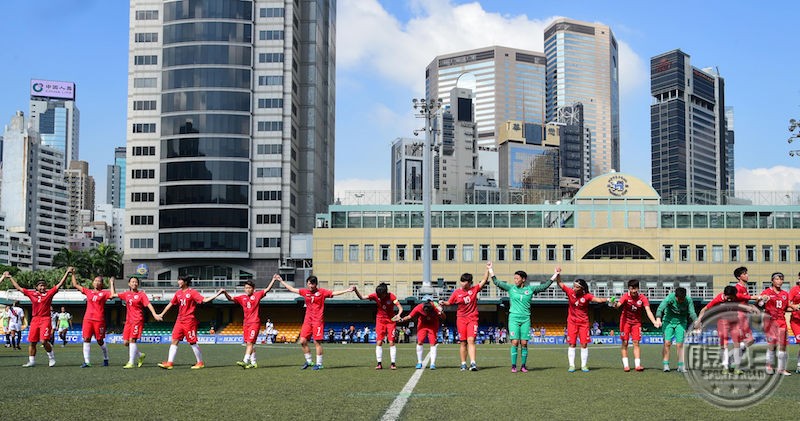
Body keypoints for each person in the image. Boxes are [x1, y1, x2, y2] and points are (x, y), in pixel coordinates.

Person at [487, 261, 558, 372]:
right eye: (514, 278)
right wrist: (490, 269)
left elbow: (544, 286)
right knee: (515, 342)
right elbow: (496, 282)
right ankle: (514, 366)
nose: (515, 280)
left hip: (525, 319)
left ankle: (523, 365)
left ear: (523, 279)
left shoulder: (530, 289)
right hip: (514, 318)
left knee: (524, 343)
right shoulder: (511, 288)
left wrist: (555, 274)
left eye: (517, 278)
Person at [276, 274, 356, 370]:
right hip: (307, 320)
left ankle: (319, 364)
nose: (310, 286)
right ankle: (309, 361)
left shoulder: (322, 292)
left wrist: (347, 290)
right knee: (302, 341)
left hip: (317, 320)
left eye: (312, 284)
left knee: (316, 342)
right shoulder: (304, 292)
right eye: (309, 284)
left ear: (316, 284)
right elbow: (292, 289)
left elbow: (334, 293)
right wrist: (281, 281)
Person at [3, 268, 71, 367]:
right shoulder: (32, 294)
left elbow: (60, 284)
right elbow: (19, 288)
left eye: (44, 285)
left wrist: (67, 273)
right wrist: (10, 277)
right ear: (36, 287)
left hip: (45, 319)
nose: (42, 287)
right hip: (35, 319)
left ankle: (51, 357)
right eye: (40, 285)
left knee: (44, 341)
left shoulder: (49, 294)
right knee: (32, 342)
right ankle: (31, 361)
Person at [157, 276, 225, 370]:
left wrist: (217, 294)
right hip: (179, 320)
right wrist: (161, 314)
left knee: (192, 342)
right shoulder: (178, 293)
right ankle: (169, 363)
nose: (178, 282)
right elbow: (170, 304)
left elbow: (204, 300)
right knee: (174, 340)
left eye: (180, 280)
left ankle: (200, 362)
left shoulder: (192, 292)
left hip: (189, 321)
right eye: (178, 280)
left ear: (185, 282)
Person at [696, 285, 757, 374]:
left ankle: (737, 367)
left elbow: (746, 301)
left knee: (738, 345)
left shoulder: (737, 296)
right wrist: (699, 321)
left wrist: (751, 308)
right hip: (723, 322)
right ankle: (725, 367)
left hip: (735, 321)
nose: (730, 299)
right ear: (725, 294)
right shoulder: (718, 299)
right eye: (729, 297)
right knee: (723, 345)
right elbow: (704, 309)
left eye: (732, 298)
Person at [555, 275, 609, 372]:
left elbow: (598, 300)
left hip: (583, 323)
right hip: (572, 322)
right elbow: (560, 283)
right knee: (572, 343)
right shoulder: (570, 292)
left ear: (582, 288)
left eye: (576, 286)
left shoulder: (587, 296)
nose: (574, 288)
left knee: (584, 344)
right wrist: (558, 274)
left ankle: (584, 365)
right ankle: (572, 365)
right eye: (573, 286)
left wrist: (608, 299)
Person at [439, 270, 491, 371]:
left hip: (472, 319)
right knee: (463, 342)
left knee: (471, 340)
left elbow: (484, 280)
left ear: (469, 282)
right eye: (461, 281)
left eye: (464, 282)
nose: (462, 283)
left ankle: (473, 363)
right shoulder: (456, 292)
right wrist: (443, 303)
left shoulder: (474, 289)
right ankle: (463, 363)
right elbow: (450, 302)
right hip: (461, 319)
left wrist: (487, 269)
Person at [222, 277, 276, 369]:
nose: (248, 289)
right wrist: (225, 293)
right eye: (246, 288)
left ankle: (245, 361)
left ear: (253, 289)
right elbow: (230, 298)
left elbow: (267, 289)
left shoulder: (257, 295)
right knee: (249, 343)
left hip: (254, 323)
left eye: (250, 288)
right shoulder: (242, 298)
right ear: (244, 289)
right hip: (246, 324)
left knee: (250, 342)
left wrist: (273, 280)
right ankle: (253, 362)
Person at [111, 276, 161, 369]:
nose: (134, 283)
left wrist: (154, 314)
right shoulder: (126, 294)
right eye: (132, 282)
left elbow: (148, 304)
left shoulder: (141, 294)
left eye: (136, 282)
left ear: (138, 284)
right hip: (128, 321)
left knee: (132, 340)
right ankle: (140, 355)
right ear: (129, 284)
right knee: (126, 342)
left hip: (137, 320)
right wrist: (112, 283)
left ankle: (131, 362)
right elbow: (113, 294)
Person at [613, 279, 660, 372]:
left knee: (636, 343)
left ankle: (637, 365)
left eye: (635, 289)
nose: (633, 291)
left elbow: (648, 311)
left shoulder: (642, 298)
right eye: (631, 289)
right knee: (625, 343)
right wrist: (614, 304)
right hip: (625, 322)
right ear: (629, 289)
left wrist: (654, 321)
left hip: (636, 323)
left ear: (638, 288)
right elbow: (618, 305)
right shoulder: (625, 296)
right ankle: (626, 365)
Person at [354, 282, 403, 370]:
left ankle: (393, 363)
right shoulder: (375, 295)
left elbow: (400, 308)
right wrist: (355, 290)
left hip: (391, 321)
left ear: (385, 292)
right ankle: (379, 363)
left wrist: (398, 315)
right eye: (378, 295)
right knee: (379, 342)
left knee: (391, 342)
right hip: (380, 320)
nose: (379, 297)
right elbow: (361, 297)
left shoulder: (391, 296)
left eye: (381, 295)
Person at [72, 273, 115, 367]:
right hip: (87, 319)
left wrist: (111, 283)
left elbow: (112, 295)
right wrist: (73, 274)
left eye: (99, 281)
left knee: (100, 340)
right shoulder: (88, 292)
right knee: (86, 339)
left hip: (99, 320)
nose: (96, 282)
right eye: (95, 280)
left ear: (102, 284)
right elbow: (75, 285)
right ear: (92, 283)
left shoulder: (104, 293)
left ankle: (106, 358)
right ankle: (87, 362)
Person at [759, 272, 795, 376]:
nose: (780, 281)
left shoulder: (785, 294)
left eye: (781, 279)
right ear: (772, 281)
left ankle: (781, 369)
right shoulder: (766, 292)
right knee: (772, 345)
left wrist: (794, 308)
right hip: (770, 322)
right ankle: (769, 366)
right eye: (777, 279)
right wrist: (763, 300)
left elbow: (786, 307)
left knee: (783, 345)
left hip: (782, 321)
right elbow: (760, 304)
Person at [396, 296, 445, 369]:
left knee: (433, 344)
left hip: (433, 325)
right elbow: (409, 316)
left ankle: (432, 363)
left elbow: (444, 318)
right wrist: (402, 320)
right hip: (422, 325)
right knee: (419, 342)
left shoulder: (436, 308)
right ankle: (419, 362)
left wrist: (441, 312)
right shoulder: (418, 307)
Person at [655, 287, 697, 372]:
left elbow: (692, 312)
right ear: (675, 296)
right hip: (668, 321)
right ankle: (666, 364)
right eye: (679, 299)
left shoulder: (688, 300)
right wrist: (658, 318)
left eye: (682, 298)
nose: (681, 300)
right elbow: (660, 308)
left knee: (680, 344)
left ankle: (681, 366)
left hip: (681, 322)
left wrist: (697, 321)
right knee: (667, 343)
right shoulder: (670, 298)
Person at [789, 272, 800, 373]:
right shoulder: (794, 289)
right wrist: (794, 306)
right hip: (796, 321)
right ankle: (799, 365)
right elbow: (788, 302)